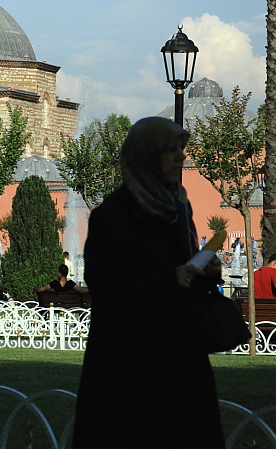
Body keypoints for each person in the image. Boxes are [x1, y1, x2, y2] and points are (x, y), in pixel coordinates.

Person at [73, 117, 225, 448]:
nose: (180, 156)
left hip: (181, 358)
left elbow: (183, 270)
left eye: (181, 148)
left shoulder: (177, 208)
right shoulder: (112, 216)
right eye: (170, 150)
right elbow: (105, 284)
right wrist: (168, 278)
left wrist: (204, 271)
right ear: (146, 156)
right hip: (131, 363)